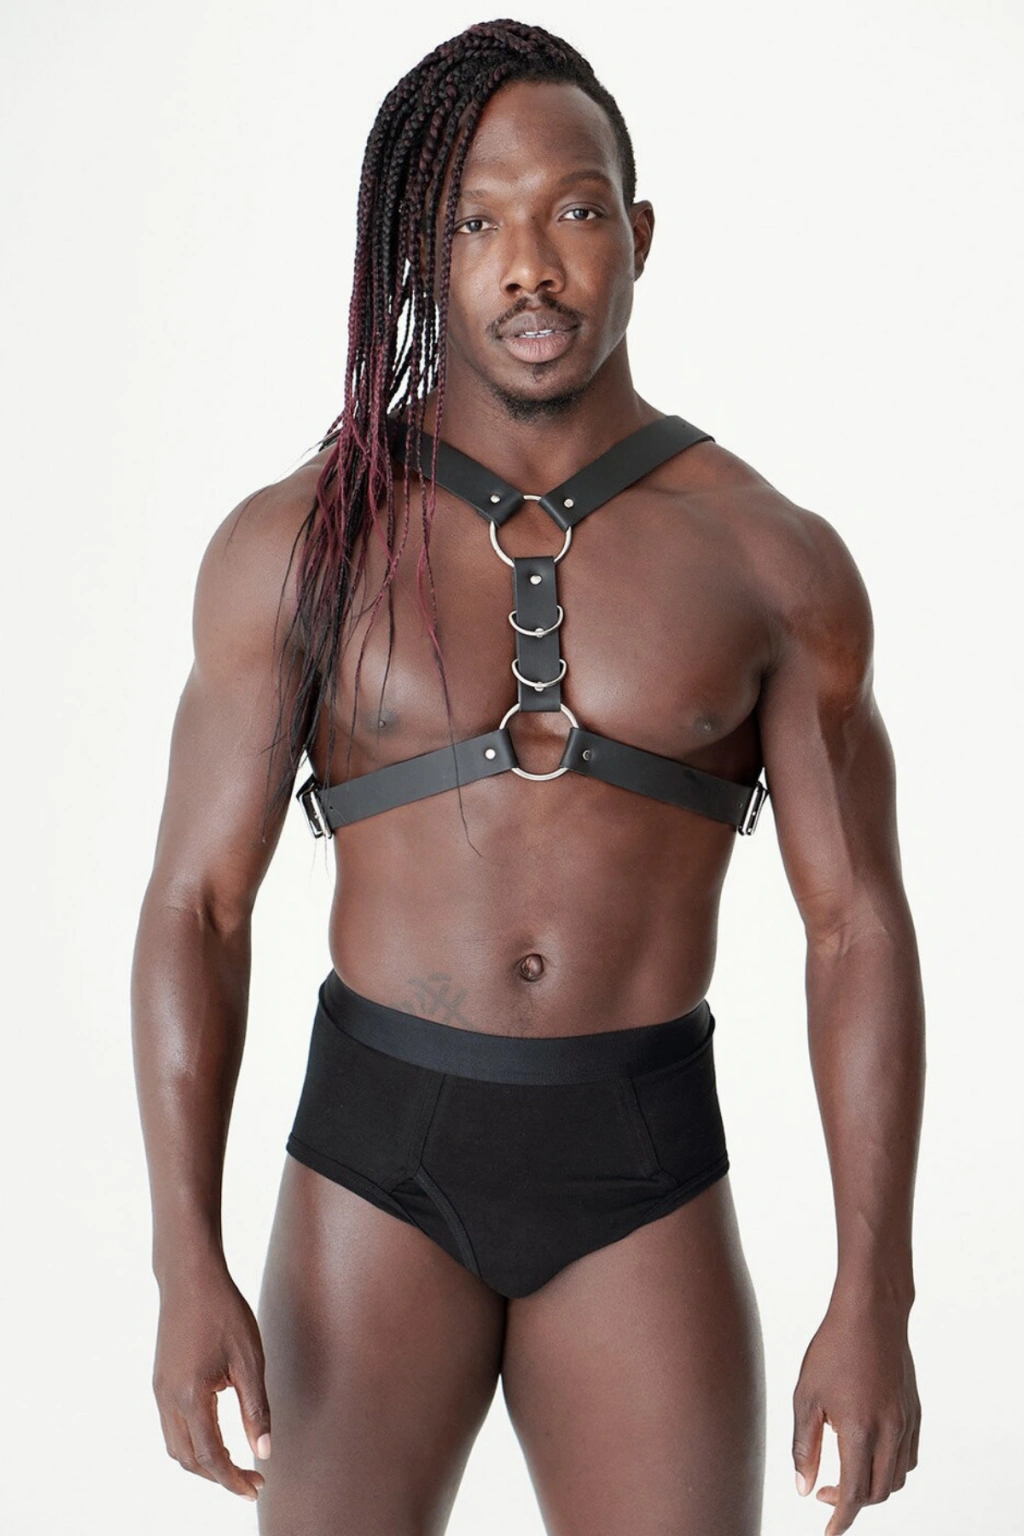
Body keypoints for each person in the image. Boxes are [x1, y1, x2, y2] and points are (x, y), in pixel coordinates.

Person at [130, 19, 924, 1536]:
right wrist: (183, 1263)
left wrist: (873, 1296)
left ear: (639, 233)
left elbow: (857, 930)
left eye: (570, 210)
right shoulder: (302, 543)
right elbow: (197, 908)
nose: (529, 269)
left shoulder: (773, 560)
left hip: (640, 1167)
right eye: (474, 225)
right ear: (418, 259)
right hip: (374, 1160)